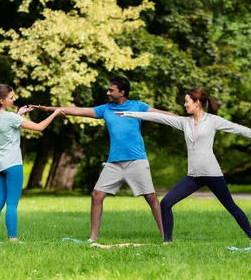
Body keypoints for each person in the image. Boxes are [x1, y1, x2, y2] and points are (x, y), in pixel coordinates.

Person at [116, 87, 251, 243]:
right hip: (193, 175)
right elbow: (158, 117)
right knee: (166, 203)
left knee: (230, 206)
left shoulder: (213, 121)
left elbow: (241, 129)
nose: (184, 104)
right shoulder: (184, 122)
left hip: (212, 173)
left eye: (187, 101)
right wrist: (128, 114)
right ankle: (168, 241)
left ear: (197, 102)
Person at [35, 76, 173, 241]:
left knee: (150, 197)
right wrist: (50, 109)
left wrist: (183, 119)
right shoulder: (105, 109)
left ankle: (166, 236)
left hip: (136, 159)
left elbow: (161, 115)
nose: (107, 92)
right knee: (97, 195)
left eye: (111, 90)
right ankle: (93, 237)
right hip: (114, 162)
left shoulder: (138, 106)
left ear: (122, 92)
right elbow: (78, 110)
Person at [0, 84, 64, 242]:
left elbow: (7, 126)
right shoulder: (11, 118)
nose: (14, 99)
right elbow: (40, 127)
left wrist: (18, 114)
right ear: (2, 101)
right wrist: (55, 113)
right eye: (11, 98)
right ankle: (13, 240)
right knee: (12, 204)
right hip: (13, 165)